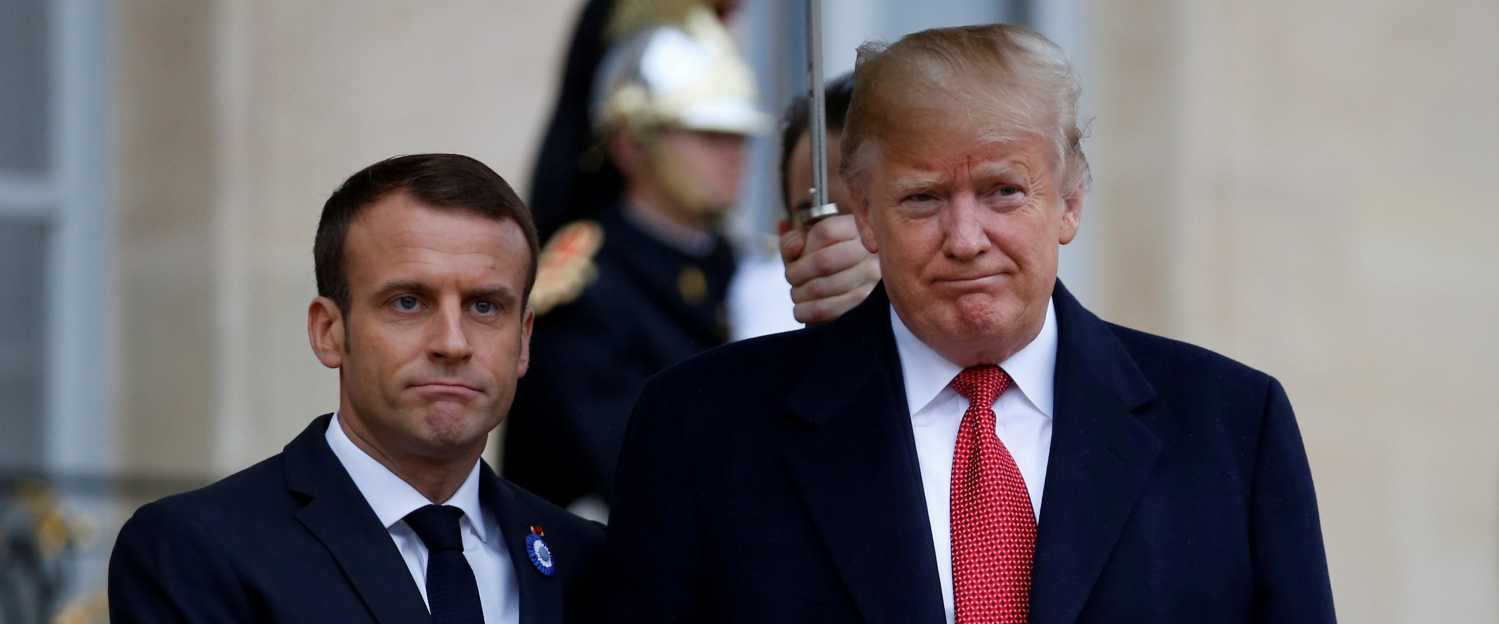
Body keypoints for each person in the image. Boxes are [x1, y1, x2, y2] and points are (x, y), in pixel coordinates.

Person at [606, 24, 1336, 623]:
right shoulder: (701, 429)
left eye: (1002, 191)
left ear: (1070, 202)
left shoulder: (1230, 426)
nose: (964, 237)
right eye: (922, 198)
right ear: (863, 213)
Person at [109, 154, 604, 623]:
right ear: (329, 332)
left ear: (523, 341)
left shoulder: (586, 559)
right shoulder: (199, 548)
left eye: (485, 307)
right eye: (408, 302)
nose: (453, 343)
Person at [502, 8, 767, 517]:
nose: (734, 154)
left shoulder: (746, 269)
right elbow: (629, 469)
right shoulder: (582, 288)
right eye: (707, 134)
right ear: (630, 145)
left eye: (739, 135)